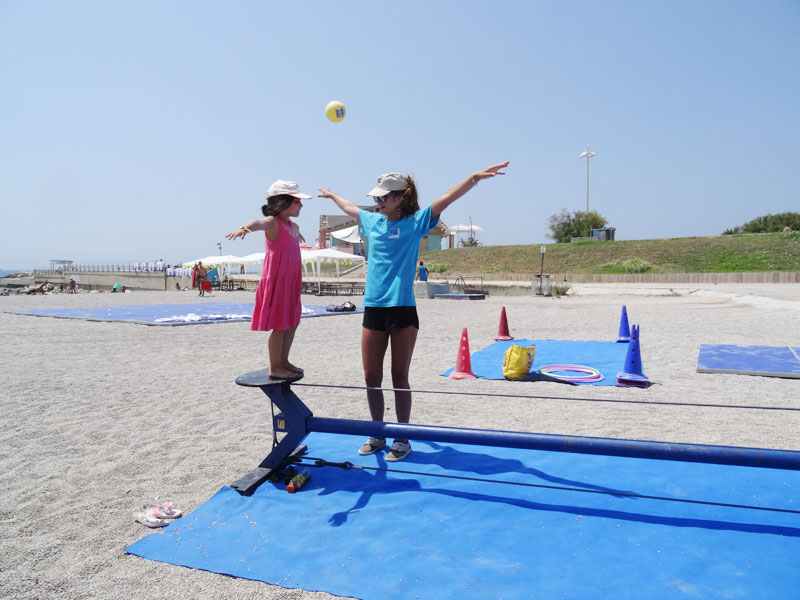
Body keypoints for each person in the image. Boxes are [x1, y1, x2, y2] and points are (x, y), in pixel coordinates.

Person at [319, 161, 508, 461]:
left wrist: (474, 178)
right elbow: (350, 209)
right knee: (370, 376)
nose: (378, 202)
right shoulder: (372, 221)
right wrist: (331, 196)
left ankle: (402, 438)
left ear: (399, 198)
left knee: (399, 376)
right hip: (374, 308)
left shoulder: (416, 222)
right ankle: (377, 432)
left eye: (384, 197)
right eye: (376, 198)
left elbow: (447, 197)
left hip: (403, 308)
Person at [226, 180, 310, 379]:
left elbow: (294, 235)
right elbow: (257, 223)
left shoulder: (293, 225)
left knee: (292, 322)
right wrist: (244, 229)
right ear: (284, 202)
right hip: (278, 281)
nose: (301, 205)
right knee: (281, 325)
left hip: (291, 281)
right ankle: (275, 367)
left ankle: (284, 360)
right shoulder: (273, 223)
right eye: (297, 201)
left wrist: (298, 234)